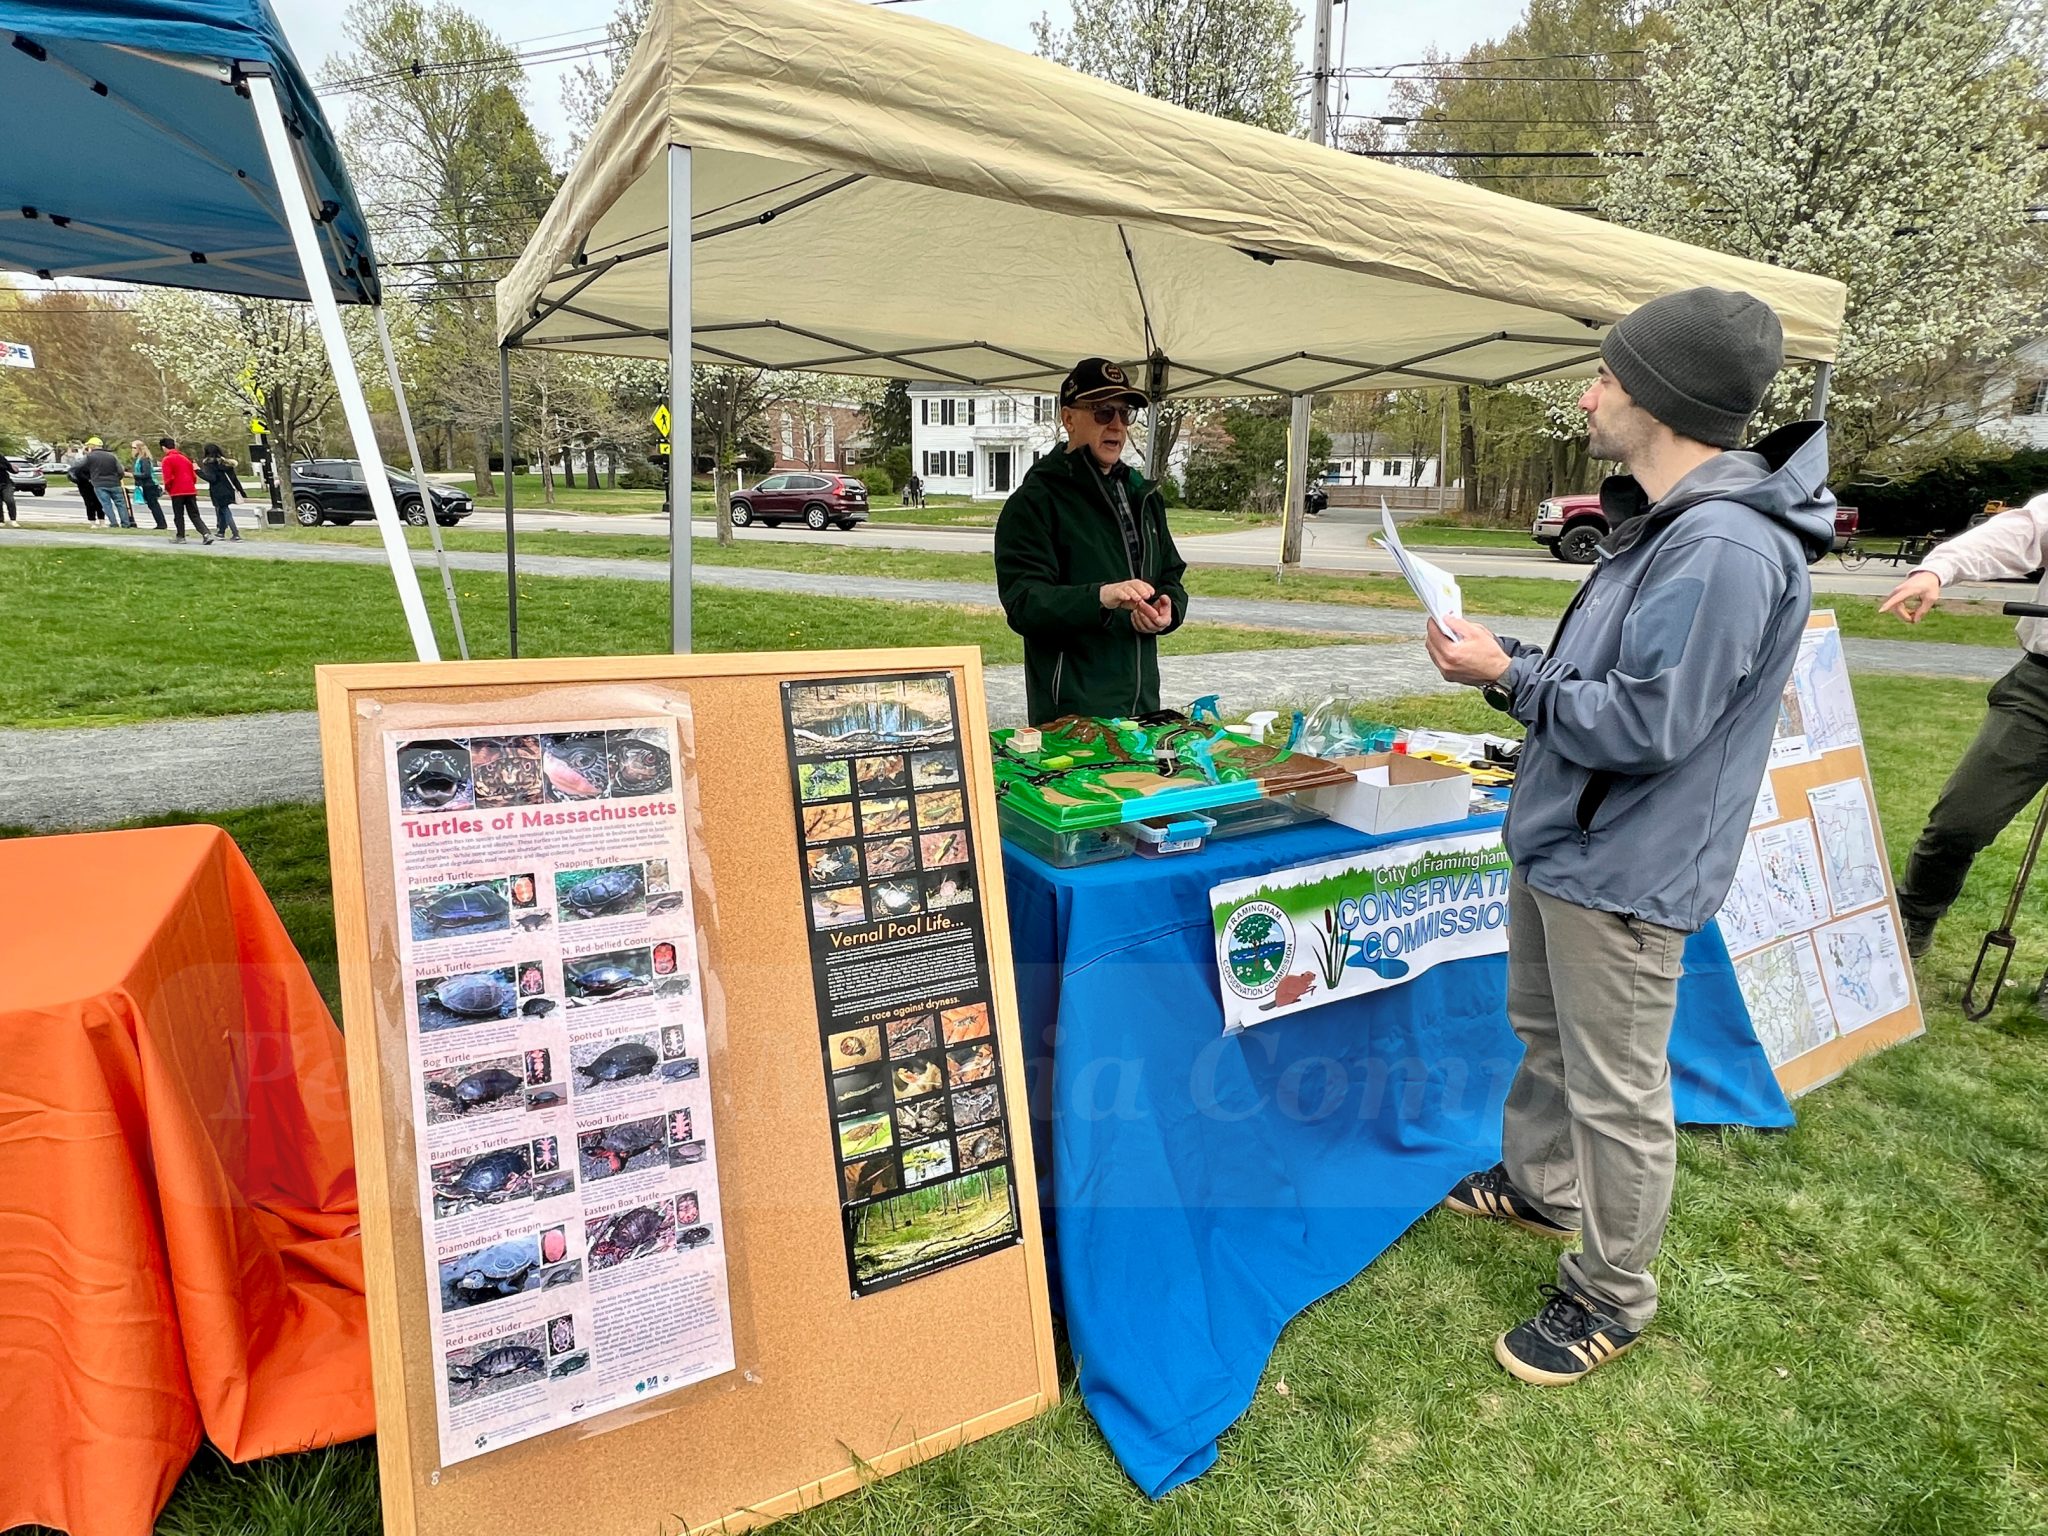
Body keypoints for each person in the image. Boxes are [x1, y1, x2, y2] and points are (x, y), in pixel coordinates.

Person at [1423, 287, 1834, 1384]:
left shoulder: (1721, 550)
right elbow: (1611, 681)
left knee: (1615, 1089)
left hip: (1627, 868)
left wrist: (1505, 678)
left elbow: (1650, 724)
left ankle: (1608, 1297)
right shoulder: (1666, 529)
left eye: (1605, 374)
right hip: (1570, 842)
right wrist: (1505, 653)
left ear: (1659, 398)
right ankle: (1541, 1190)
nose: (1587, 391)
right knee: (1549, 1040)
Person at [1878, 498, 2048, 958]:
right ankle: (1916, 914)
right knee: (1960, 821)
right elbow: (2019, 534)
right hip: (2040, 690)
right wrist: (1936, 571)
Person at [993, 358, 1189, 723]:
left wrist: (1168, 609)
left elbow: (1171, 574)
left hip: (1144, 708)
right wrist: (1101, 597)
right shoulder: (1035, 502)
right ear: (1068, 419)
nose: (1116, 425)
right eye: (1102, 412)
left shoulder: (1143, 497)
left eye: (1124, 413)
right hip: (1071, 715)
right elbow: (1024, 603)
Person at [159, 437, 211, 545]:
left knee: (178, 515)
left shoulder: (167, 460)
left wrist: (167, 489)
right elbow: (193, 476)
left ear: (163, 447)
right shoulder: (185, 458)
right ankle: (205, 533)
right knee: (194, 514)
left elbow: (168, 477)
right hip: (190, 490)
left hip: (177, 491)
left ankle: (180, 536)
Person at [197, 443, 247, 542]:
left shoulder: (209, 464)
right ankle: (221, 532)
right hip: (228, 489)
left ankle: (235, 533)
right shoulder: (226, 463)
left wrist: (198, 472)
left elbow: (212, 478)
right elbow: (234, 479)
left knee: (225, 510)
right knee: (221, 510)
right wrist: (241, 491)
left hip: (217, 491)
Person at [82, 437, 130, 528]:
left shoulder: (90, 457)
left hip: (99, 484)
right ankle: (125, 523)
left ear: (92, 446)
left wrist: (89, 478)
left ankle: (113, 523)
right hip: (115, 483)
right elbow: (120, 471)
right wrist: (117, 479)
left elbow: (82, 469)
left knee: (106, 504)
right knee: (120, 504)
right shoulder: (112, 456)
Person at [130, 439, 168, 530]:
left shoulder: (144, 460)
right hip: (146, 485)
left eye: (133, 448)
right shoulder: (139, 459)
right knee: (152, 505)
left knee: (154, 505)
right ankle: (160, 523)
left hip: (149, 485)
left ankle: (161, 524)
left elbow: (146, 474)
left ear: (138, 448)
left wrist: (133, 475)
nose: (132, 450)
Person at [66, 442, 98, 524]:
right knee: (91, 502)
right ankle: (93, 521)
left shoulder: (90, 458)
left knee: (96, 502)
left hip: (90, 481)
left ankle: (99, 521)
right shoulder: (81, 459)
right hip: (85, 482)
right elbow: (72, 457)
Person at [0, 452, 15, 527]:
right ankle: (1, 521)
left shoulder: (1, 458)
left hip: (6, 483)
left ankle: (13, 520)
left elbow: (11, 469)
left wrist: (15, 470)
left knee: (9, 500)